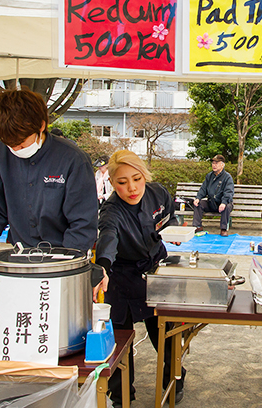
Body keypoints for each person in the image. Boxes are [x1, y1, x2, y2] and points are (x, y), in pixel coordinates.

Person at [0, 90, 98, 279]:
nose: (15, 149)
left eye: (22, 143)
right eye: (9, 144)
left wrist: (63, 267)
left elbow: (82, 224)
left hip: (66, 263)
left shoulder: (73, 159)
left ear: (41, 126)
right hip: (20, 259)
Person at [92, 150, 185, 407]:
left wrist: (174, 229)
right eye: (122, 182)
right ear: (112, 183)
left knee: (166, 334)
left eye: (137, 178)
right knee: (120, 341)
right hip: (120, 276)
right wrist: (102, 267)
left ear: (145, 175)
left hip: (156, 270)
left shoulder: (158, 193)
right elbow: (107, 239)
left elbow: (169, 218)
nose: (131, 188)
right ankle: (121, 395)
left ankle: (175, 378)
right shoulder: (111, 211)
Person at [192, 154, 234, 236]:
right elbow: (203, 189)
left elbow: (229, 192)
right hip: (211, 202)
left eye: (216, 163)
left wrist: (224, 202)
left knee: (227, 206)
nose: (214, 165)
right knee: (198, 204)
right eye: (213, 163)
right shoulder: (209, 176)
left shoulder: (227, 177)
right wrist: (198, 198)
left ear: (222, 165)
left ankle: (223, 229)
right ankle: (197, 226)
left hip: (222, 203)